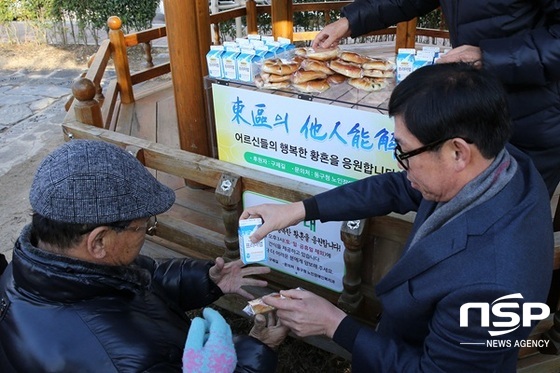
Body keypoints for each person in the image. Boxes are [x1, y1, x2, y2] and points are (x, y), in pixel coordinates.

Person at [241, 63, 555, 371]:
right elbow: (395, 188)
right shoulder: (501, 163)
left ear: (457, 152)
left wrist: (334, 324)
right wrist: (297, 210)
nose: (401, 166)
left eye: (404, 151)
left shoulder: (491, 286)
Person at [0, 139, 287, 372]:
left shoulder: (30, 271)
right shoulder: (134, 360)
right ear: (99, 240)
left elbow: (139, 281)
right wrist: (258, 348)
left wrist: (206, 280)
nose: (147, 231)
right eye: (144, 226)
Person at [312, 0, 560, 197]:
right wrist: (350, 21)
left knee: (507, 228)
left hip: (532, 120)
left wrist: (489, 57)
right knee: (460, 216)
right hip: (472, 108)